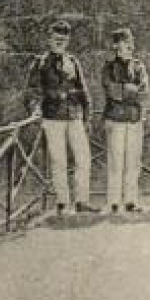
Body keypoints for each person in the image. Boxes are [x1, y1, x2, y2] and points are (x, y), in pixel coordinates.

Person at [24, 21, 92, 214]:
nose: (59, 42)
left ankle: (82, 201)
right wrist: (35, 108)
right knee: (58, 160)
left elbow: (83, 89)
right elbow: (32, 90)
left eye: (63, 39)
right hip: (53, 116)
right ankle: (62, 202)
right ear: (49, 39)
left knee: (83, 158)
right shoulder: (41, 63)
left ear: (68, 40)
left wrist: (87, 114)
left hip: (74, 115)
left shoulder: (73, 61)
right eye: (56, 39)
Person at [101, 27, 148, 214]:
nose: (130, 45)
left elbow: (145, 93)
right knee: (116, 161)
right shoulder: (109, 67)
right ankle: (113, 201)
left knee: (133, 162)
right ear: (116, 46)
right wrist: (131, 90)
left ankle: (130, 200)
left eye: (131, 42)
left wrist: (126, 90)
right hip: (116, 119)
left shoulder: (139, 66)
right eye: (125, 42)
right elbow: (112, 91)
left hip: (134, 119)